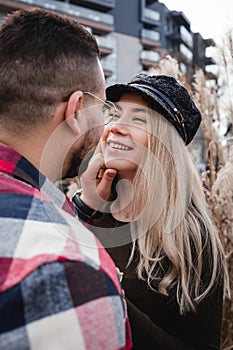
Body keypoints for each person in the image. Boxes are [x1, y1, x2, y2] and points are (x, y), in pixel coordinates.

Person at [0, 8, 132, 350]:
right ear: (75, 111)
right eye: (103, 109)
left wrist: (82, 210)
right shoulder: (70, 272)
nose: (108, 126)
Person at [73, 73, 230, 350]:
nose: (116, 128)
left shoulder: (190, 236)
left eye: (138, 120)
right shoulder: (89, 209)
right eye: (115, 114)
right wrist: (84, 204)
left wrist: (114, 303)